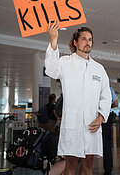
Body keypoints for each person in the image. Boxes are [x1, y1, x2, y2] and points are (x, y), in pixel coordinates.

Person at [45, 21, 112, 175]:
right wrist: (54, 39)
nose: (88, 42)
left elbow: (105, 95)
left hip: (92, 124)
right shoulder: (66, 62)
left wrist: (101, 117)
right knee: (70, 165)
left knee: (88, 164)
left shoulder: (98, 69)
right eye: (84, 39)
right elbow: (51, 69)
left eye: (90, 39)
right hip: (72, 124)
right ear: (75, 42)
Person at [102, 87, 118, 175]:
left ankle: (85, 169)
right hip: (106, 118)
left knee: (89, 145)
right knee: (107, 145)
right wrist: (107, 106)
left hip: (93, 117)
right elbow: (116, 103)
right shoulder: (109, 88)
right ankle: (108, 170)